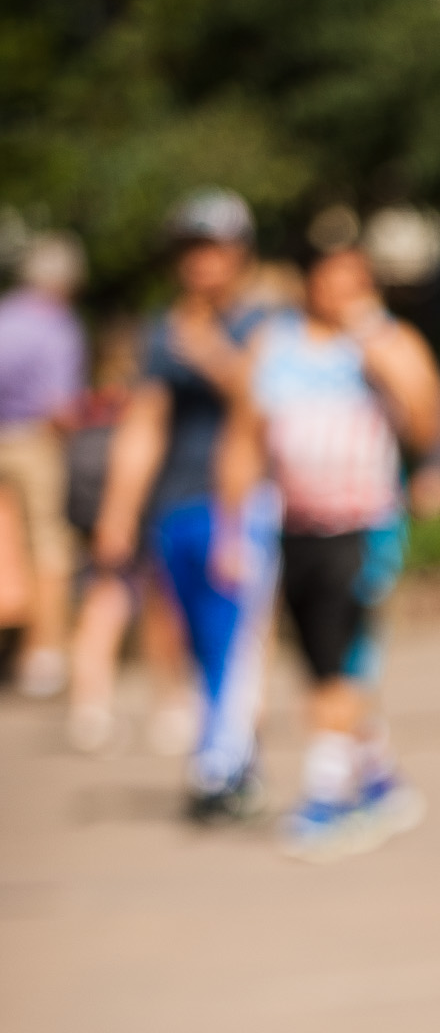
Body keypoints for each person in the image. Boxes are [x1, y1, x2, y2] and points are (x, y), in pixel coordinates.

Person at [240, 237, 440, 858]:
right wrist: (234, 521)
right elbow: (244, 433)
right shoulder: (274, 345)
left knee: (343, 655)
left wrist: (379, 349)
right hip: (295, 522)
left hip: (364, 521)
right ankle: (379, 777)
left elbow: (427, 422)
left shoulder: (389, 342)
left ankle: (327, 795)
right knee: (318, 659)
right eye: (333, 280)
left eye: (357, 281)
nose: (344, 293)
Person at [71, 190, 277, 810]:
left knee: (234, 634)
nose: (199, 263)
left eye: (211, 248)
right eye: (189, 249)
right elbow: (145, 424)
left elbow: (266, 403)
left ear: (239, 252)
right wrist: (118, 511)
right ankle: (221, 759)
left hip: (243, 502)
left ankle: (225, 768)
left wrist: (212, 356)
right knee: (193, 640)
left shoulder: (266, 324)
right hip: (176, 504)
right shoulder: (163, 330)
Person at [0, 233, 89, 698]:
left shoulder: (5, 314)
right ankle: (44, 653)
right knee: (47, 546)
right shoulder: (58, 326)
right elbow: (61, 407)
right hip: (35, 442)